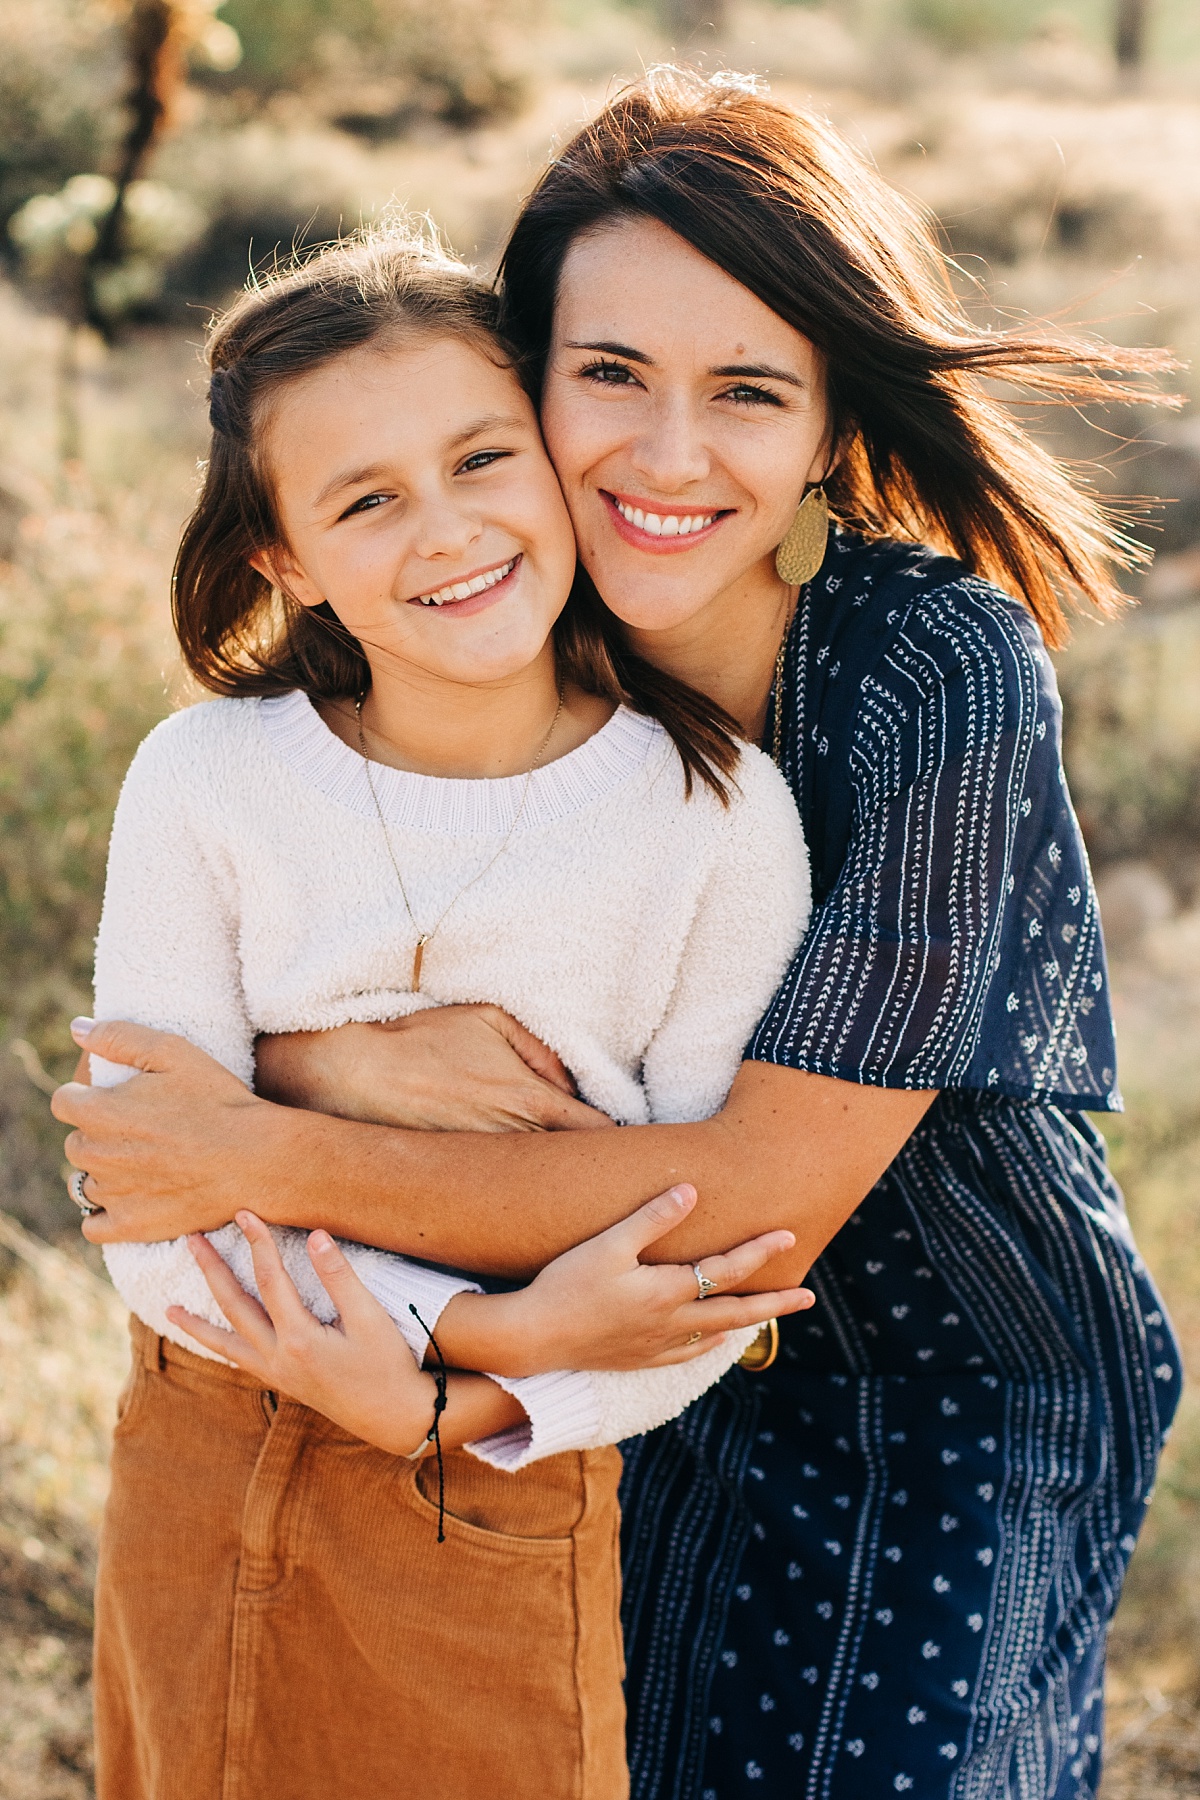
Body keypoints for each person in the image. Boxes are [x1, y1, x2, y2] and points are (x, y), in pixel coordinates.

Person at [56, 68, 1184, 1800]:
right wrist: (306, 1058)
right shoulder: (512, 613)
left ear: (826, 420)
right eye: (606, 378)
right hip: (600, 1369)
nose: (664, 458)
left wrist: (253, 1144)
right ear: (523, 385)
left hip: (940, 1390)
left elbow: (742, 1202)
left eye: (745, 391)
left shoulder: (929, 670)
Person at [79, 221, 817, 1800]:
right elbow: (144, 1191)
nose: (448, 529)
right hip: (213, 1445)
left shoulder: (716, 817)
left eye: (484, 459)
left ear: (555, 462)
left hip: (506, 1487)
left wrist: (476, 1399)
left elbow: (708, 1273)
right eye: (365, 500)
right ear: (285, 558)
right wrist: (478, 1328)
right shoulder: (207, 781)